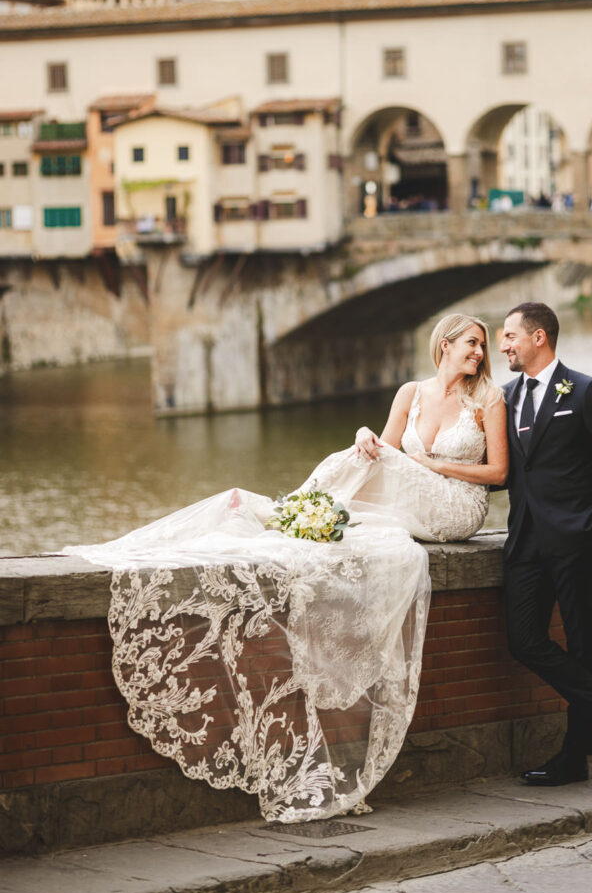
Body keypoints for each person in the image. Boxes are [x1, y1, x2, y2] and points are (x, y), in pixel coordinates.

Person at [64, 313, 507, 825]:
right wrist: (365, 433)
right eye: (471, 343)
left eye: (481, 346)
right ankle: (307, 516)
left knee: (373, 468)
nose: (478, 352)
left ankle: (297, 512)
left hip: (456, 505)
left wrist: (430, 464)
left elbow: (497, 473)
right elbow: (383, 450)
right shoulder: (410, 392)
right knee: (362, 455)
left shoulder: (488, 399)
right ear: (445, 345)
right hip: (412, 489)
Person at [499, 301, 592, 791]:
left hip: (576, 540)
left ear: (538, 337)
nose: (502, 346)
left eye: (509, 336)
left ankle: (575, 758)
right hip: (523, 541)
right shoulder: (501, 398)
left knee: (585, 646)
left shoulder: (585, 391)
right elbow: (497, 472)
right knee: (524, 641)